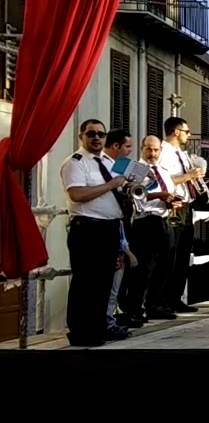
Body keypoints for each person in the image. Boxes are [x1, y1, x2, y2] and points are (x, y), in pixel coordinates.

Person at [59, 120, 128, 347]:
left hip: (109, 228)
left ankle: (99, 328)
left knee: (103, 283)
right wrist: (110, 186)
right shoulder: (75, 163)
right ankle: (81, 332)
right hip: (88, 228)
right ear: (82, 137)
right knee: (85, 283)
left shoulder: (108, 162)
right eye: (91, 134)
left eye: (101, 134)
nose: (96, 138)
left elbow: (121, 185)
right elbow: (77, 194)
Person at [119, 135, 183, 325]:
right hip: (144, 220)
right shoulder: (135, 168)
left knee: (165, 265)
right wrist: (160, 195)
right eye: (148, 149)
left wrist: (172, 201)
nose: (152, 153)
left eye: (155, 150)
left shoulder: (163, 170)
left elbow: (167, 192)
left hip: (162, 219)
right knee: (143, 268)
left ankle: (155, 305)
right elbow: (134, 195)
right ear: (142, 148)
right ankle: (135, 308)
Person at [158, 116, 204, 314]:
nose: (189, 135)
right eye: (186, 131)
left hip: (187, 205)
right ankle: (163, 300)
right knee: (170, 255)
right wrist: (189, 176)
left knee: (184, 255)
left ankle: (175, 297)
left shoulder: (181, 153)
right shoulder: (163, 152)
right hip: (173, 205)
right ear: (176, 132)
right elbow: (164, 179)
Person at [102, 129, 137, 334]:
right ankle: (107, 321)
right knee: (110, 279)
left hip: (120, 221)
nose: (129, 151)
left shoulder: (118, 165)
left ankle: (113, 317)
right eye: (127, 146)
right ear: (116, 146)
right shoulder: (108, 165)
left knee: (118, 277)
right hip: (108, 224)